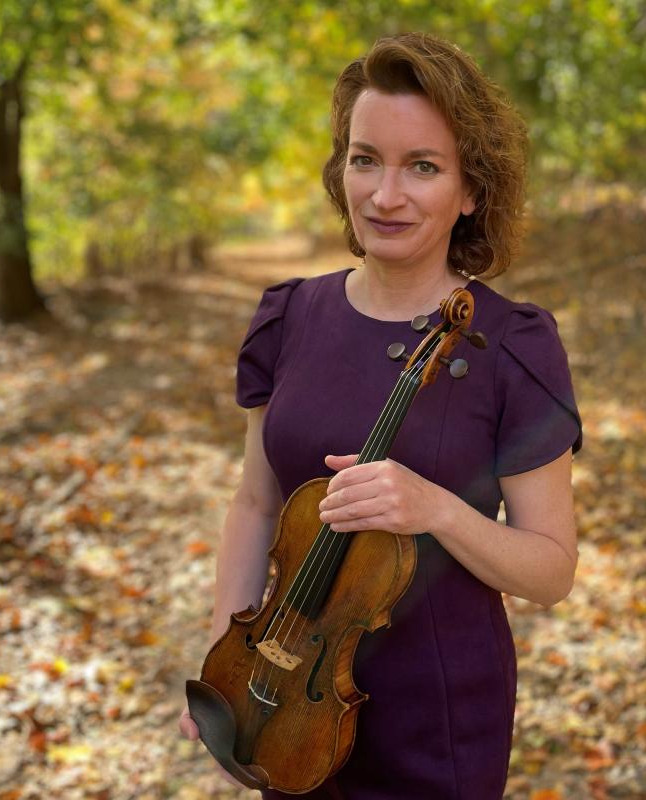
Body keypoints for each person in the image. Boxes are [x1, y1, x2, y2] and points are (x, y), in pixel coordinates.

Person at [179, 31, 583, 800]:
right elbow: (257, 502)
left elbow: (552, 572)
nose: (385, 194)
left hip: (438, 721)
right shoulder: (289, 316)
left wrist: (436, 510)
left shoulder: (513, 345)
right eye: (366, 158)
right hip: (285, 697)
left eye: (422, 167)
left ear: (470, 191)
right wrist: (226, 657)